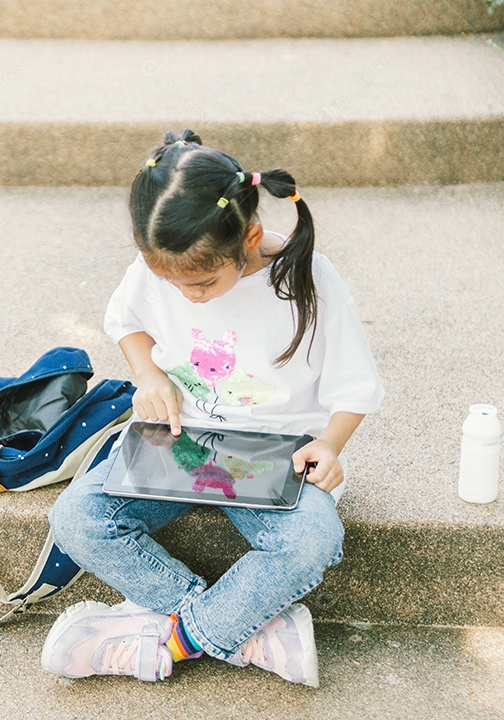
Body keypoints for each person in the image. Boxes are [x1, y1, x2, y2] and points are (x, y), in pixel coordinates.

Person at [40, 130, 384, 687]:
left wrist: (330, 445)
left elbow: (356, 386)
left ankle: (175, 639)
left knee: (313, 540)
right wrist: (149, 375)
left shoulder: (307, 279)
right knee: (75, 518)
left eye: (201, 283)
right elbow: (126, 322)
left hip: (276, 457)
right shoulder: (164, 266)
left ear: (249, 237)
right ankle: (245, 630)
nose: (186, 296)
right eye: (169, 282)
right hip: (179, 441)